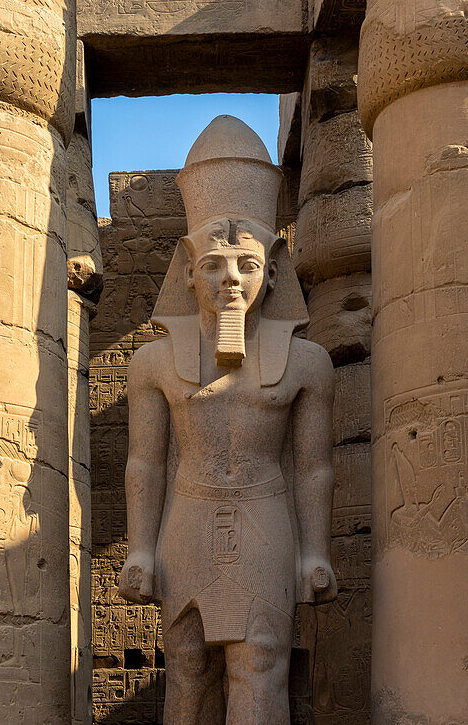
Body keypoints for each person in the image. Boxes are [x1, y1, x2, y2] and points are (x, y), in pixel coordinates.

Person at [119, 116, 336, 724]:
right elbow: (146, 461)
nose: (230, 280)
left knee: (262, 658)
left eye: (247, 264)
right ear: (187, 268)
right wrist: (139, 547)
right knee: (186, 662)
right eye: (214, 264)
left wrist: (313, 551)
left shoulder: (307, 363)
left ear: (273, 267)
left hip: (266, 514)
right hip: (187, 516)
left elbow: (315, 467)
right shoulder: (154, 363)